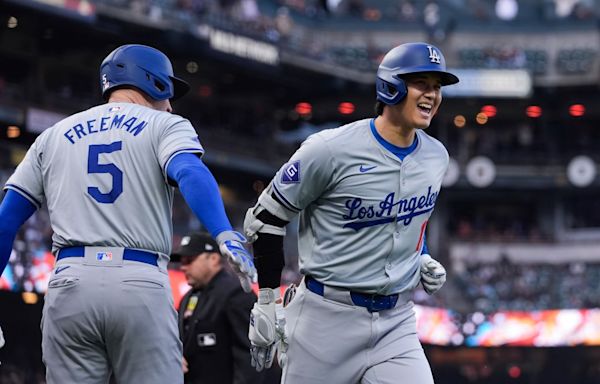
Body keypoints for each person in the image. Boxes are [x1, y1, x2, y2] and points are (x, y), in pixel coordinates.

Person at [0, 44, 256, 384]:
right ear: (155, 83)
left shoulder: (53, 135)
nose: (170, 103)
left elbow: (6, 221)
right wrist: (223, 231)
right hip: (138, 279)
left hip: (69, 283)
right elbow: (191, 173)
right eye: (169, 92)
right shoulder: (164, 124)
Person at [243, 42, 456, 383]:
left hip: (396, 323)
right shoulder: (330, 149)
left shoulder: (436, 156)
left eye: (437, 86)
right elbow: (266, 217)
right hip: (325, 321)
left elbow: (410, 217)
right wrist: (267, 298)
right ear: (392, 86)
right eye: (422, 84)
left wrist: (421, 255)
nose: (432, 94)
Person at [173, 232, 270, 384]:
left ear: (213, 259)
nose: (183, 267)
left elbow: (251, 356)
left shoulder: (235, 294)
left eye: (189, 260)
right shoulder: (188, 297)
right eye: (182, 262)